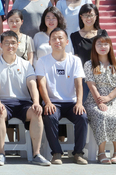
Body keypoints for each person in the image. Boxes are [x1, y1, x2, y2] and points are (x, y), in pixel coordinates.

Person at [0, 31, 51, 166]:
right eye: (7, 43)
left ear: (18, 44)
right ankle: (1, 154)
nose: (10, 46)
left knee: (37, 112)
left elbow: (32, 85)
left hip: (23, 102)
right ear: (1, 45)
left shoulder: (26, 64)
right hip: (3, 101)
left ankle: (36, 154)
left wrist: (36, 102)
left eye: (13, 43)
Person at [35, 28, 89, 165]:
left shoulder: (75, 60)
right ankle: (56, 153)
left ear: (67, 41)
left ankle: (78, 153)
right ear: (49, 42)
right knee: (50, 116)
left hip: (71, 102)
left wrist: (79, 103)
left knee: (82, 117)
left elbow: (79, 84)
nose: (57, 41)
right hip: (53, 102)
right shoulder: (42, 61)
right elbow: (41, 84)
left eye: (60, 38)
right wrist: (47, 102)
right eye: (53, 38)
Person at [84, 35, 116, 165]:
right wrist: (100, 102)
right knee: (102, 115)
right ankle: (101, 152)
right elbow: (91, 85)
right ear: (94, 47)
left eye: (105, 44)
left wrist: (109, 97)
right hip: (94, 101)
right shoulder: (89, 64)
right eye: (99, 44)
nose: (102, 47)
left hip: (114, 101)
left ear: (110, 46)